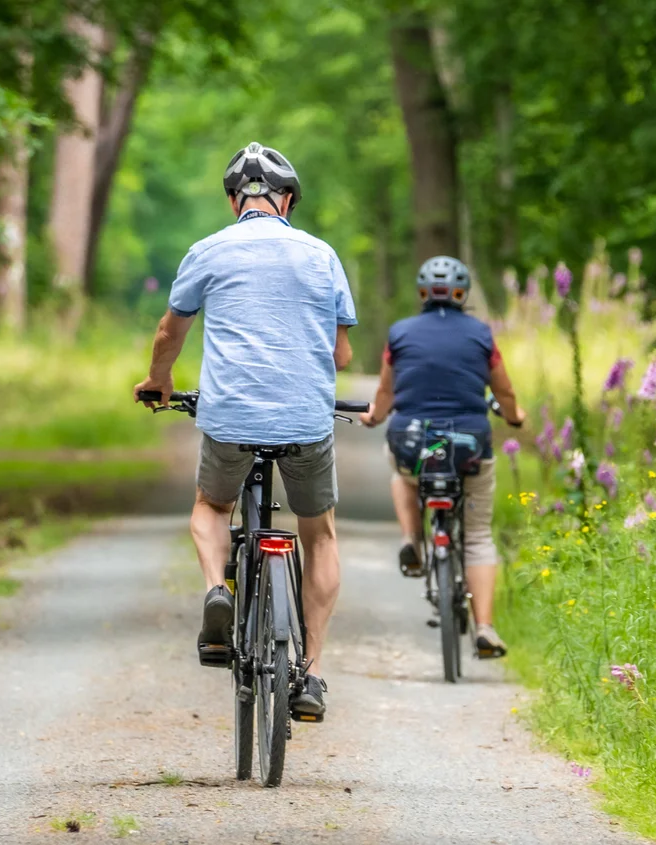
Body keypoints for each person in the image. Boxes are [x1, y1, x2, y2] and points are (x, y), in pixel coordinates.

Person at [133, 142, 356, 719]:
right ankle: (311, 675)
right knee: (321, 534)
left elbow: (168, 333)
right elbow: (343, 352)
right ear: (287, 200)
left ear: (235, 200)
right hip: (306, 419)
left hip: (230, 416)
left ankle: (217, 590)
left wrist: (160, 381)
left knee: (211, 506)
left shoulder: (207, 250)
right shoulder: (321, 254)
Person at [360, 255, 525, 658]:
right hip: (469, 444)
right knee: (479, 536)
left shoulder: (400, 333)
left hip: (413, 442)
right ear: (462, 293)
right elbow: (503, 391)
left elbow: (385, 393)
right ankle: (485, 627)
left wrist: (375, 416)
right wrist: (516, 416)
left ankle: (412, 539)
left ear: (421, 293)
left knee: (400, 472)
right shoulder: (482, 335)